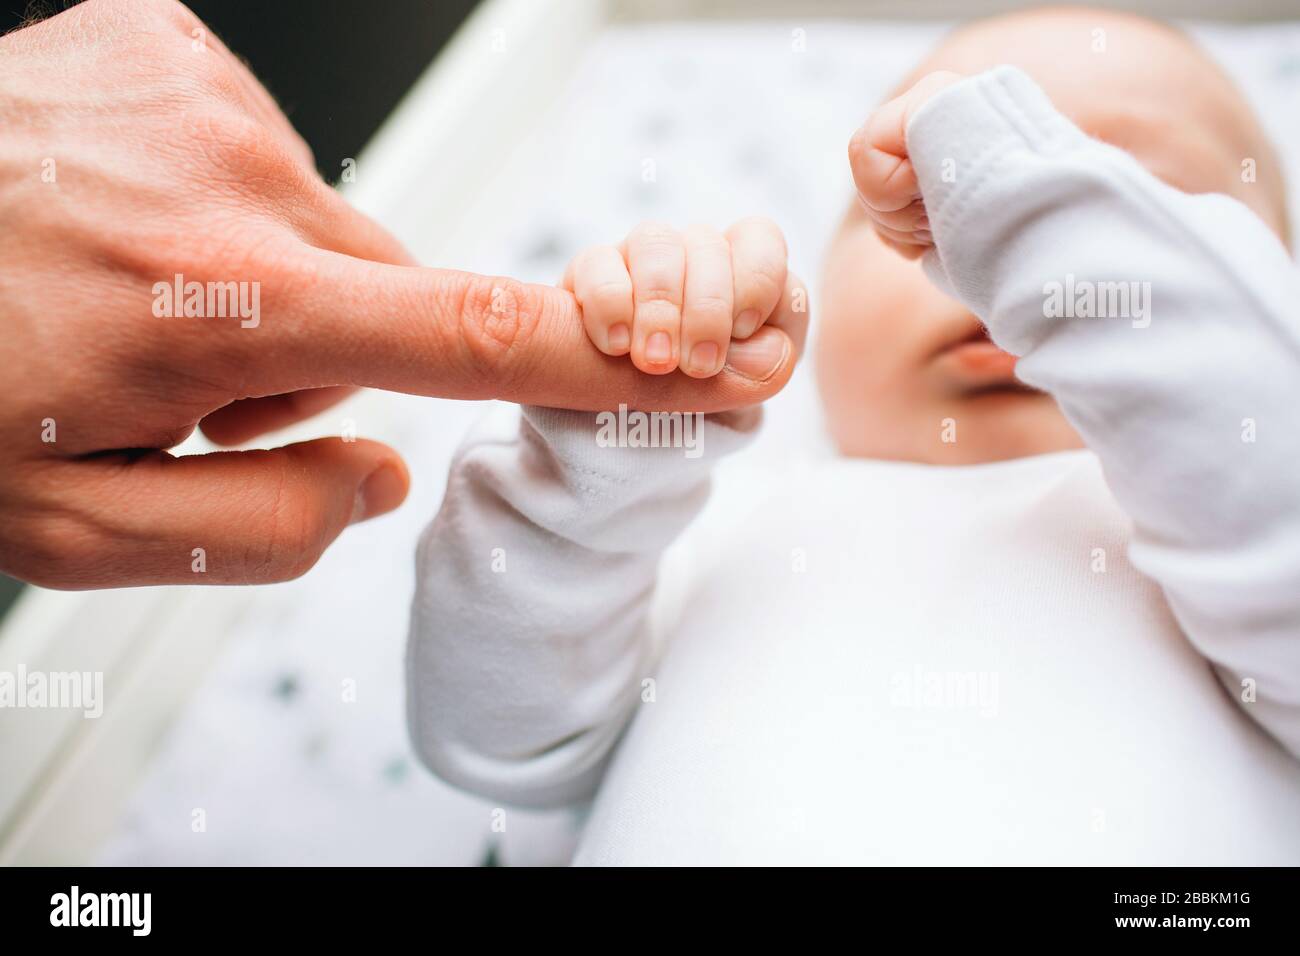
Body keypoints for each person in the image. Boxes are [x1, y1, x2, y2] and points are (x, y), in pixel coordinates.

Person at [407, 8, 1300, 864]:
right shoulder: (719, 524)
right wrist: (597, 465)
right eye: (925, 198)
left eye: (1127, 191)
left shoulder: (1246, 548)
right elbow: (507, 752)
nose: (995, 252)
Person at [0, 0, 801, 589]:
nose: (932, 252)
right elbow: (516, 732)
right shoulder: (737, 542)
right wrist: (622, 449)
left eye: (936, 255)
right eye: (900, 224)